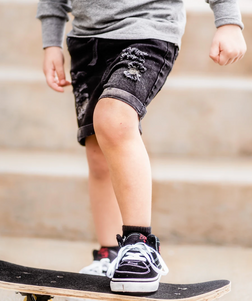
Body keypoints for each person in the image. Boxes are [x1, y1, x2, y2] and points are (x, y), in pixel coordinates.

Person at [36, 0, 246, 293]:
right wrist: (51, 41)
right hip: (86, 41)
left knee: (114, 118)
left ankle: (140, 246)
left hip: (147, 29)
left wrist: (228, 20)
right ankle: (109, 253)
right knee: (98, 153)